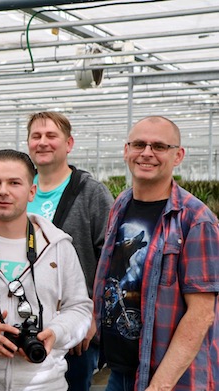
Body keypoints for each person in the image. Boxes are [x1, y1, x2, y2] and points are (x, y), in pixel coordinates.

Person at [93, 116, 219, 391]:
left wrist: (159, 385)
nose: (147, 153)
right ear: (126, 151)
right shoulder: (121, 204)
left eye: (159, 146)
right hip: (120, 371)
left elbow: (201, 314)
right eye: (139, 144)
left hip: (169, 380)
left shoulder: (196, 219)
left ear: (178, 155)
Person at [0, 149, 92, 390]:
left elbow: (79, 307)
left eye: (14, 183)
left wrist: (55, 333)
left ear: (31, 191)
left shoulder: (58, 246)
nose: (3, 190)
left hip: (45, 383)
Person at [26, 111, 114, 391]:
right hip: (26, 325)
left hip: (73, 329)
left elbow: (111, 261)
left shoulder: (91, 193)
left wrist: (93, 318)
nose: (43, 142)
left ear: (69, 143)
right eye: (36, 136)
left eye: (51, 136)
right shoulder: (19, 190)